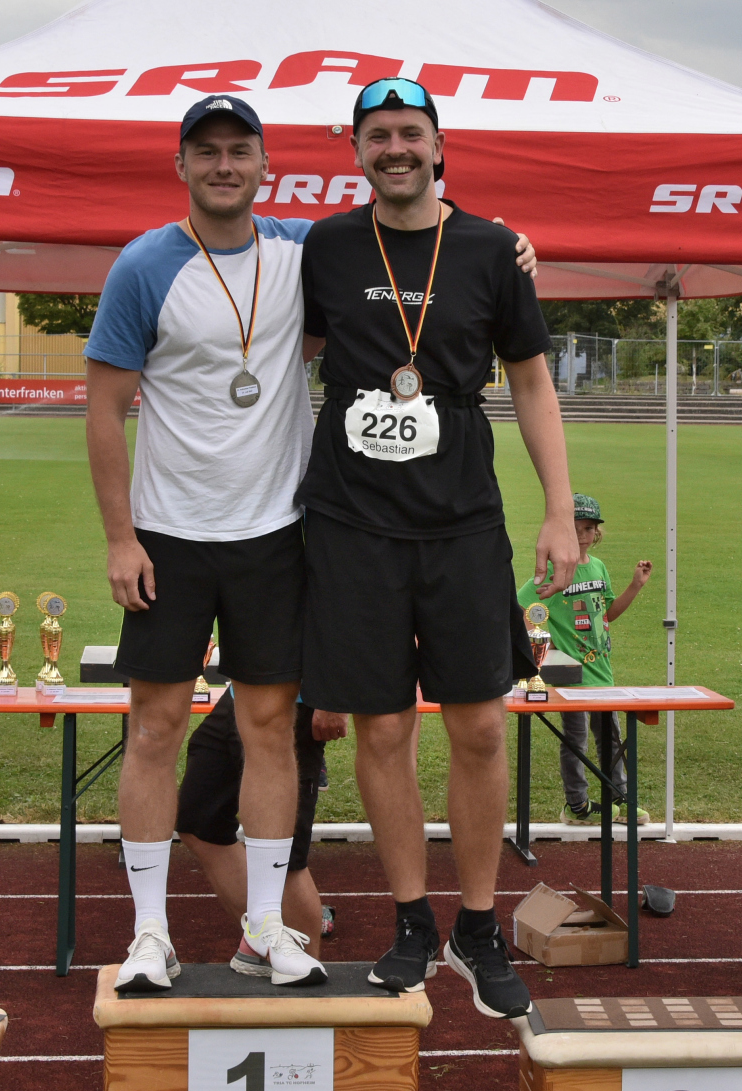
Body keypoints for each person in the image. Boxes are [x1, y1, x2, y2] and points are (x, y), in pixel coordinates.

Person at [84, 95, 536, 995]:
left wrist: (506, 244)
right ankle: (148, 933)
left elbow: (413, 239)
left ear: (266, 166)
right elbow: (104, 407)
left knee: (269, 730)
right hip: (171, 533)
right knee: (155, 727)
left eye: (239, 152)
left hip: (281, 532)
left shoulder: (305, 250)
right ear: (181, 165)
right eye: (206, 152)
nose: (223, 166)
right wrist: (120, 536)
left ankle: (264, 925)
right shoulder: (143, 264)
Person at [294, 77, 579, 1019]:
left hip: (462, 520)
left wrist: (559, 510)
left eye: (410, 133)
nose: (396, 149)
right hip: (353, 522)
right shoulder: (326, 245)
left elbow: (532, 382)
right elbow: (275, 334)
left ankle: (479, 924)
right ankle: (413, 919)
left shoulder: (494, 249)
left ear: (439, 144)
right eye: (378, 135)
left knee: (481, 725)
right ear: (356, 150)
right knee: (382, 729)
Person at [175, 683, 348, 968]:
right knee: (200, 821)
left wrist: (333, 696)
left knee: (285, 858)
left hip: (294, 698)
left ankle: (306, 976)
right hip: (243, 689)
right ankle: (264, 935)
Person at [516, 493, 652, 822]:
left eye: (589, 528)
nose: (582, 535)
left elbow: (608, 613)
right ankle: (576, 805)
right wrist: (545, 647)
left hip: (601, 671)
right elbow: (520, 606)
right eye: (576, 528)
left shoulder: (599, 567)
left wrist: (635, 586)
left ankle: (619, 798)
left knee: (611, 738)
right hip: (571, 677)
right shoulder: (554, 571)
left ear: (597, 532)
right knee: (576, 740)